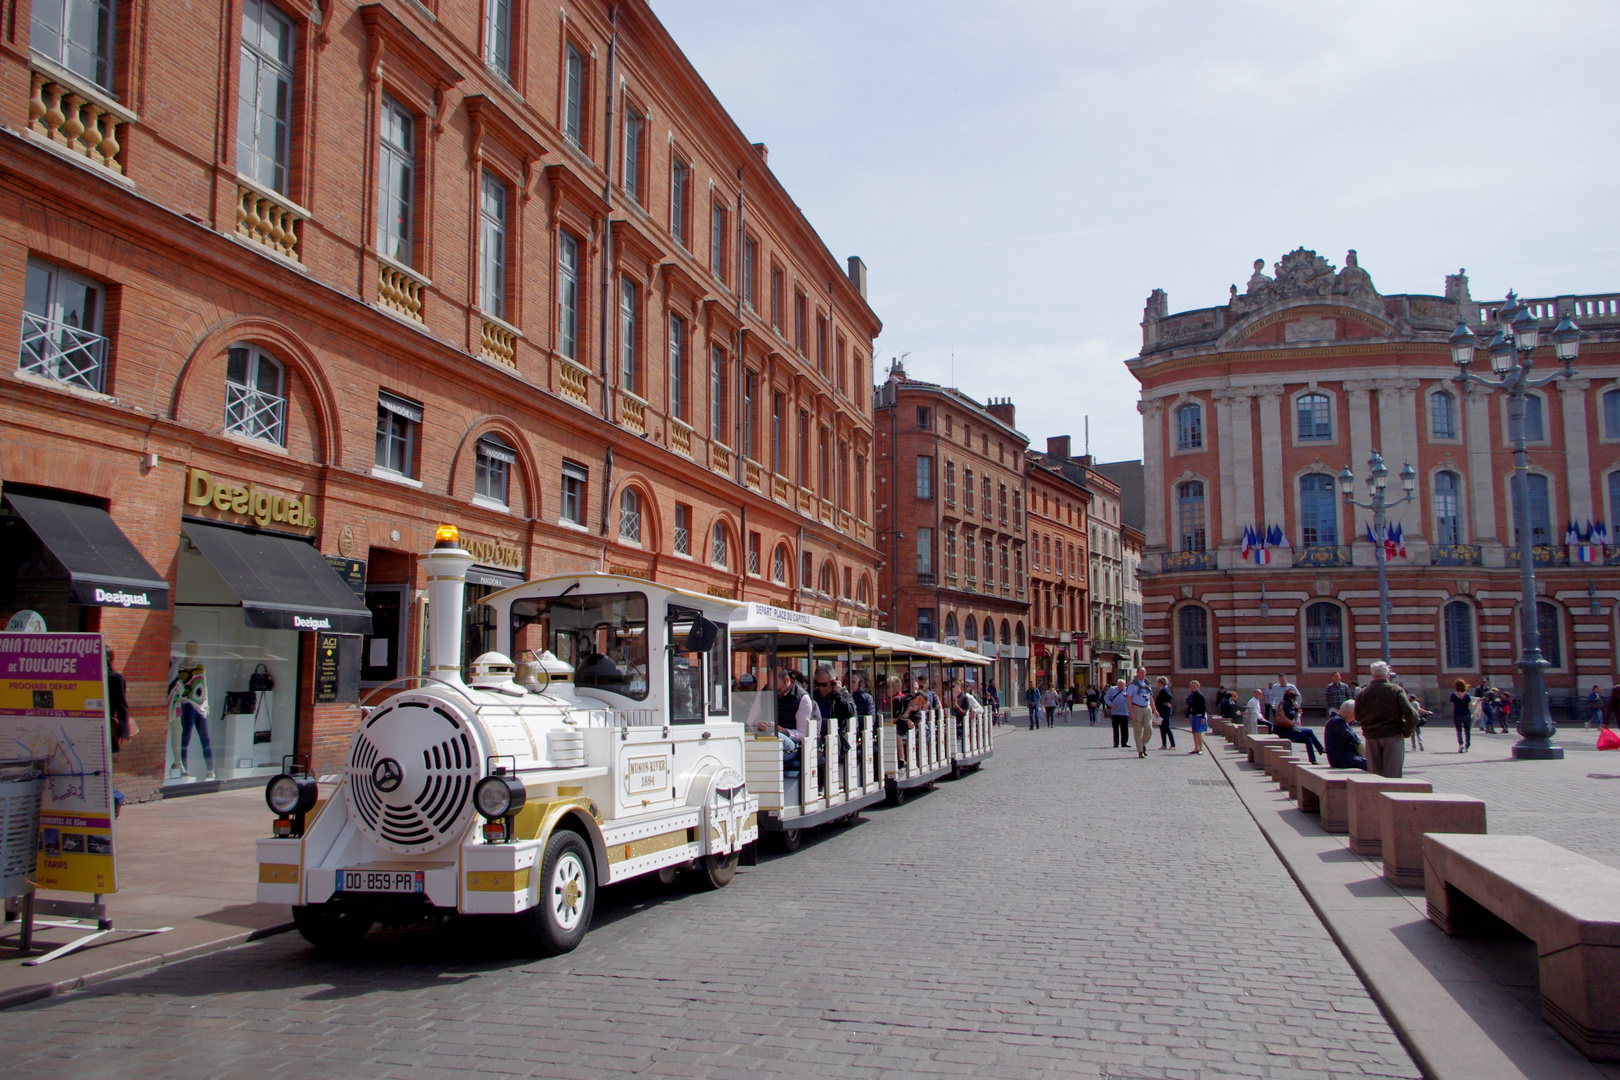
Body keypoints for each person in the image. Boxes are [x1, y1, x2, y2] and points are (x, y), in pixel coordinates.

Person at [1354, 661, 1421, 777]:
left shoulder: (1362, 693)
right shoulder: (1396, 690)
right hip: (1392, 735)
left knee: (1375, 776)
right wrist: (1406, 732)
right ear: (1388, 674)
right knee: (1393, 776)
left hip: (1371, 737)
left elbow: (1358, 716)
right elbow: (1412, 716)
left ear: (1372, 675)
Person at [1272, 687, 1326, 764]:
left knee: (1308, 739)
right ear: (1291, 698)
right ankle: (1320, 749)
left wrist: (1295, 710)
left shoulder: (1283, 703)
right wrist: (1296, 708)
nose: (1295, 700)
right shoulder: (1286, 704)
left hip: (1286, 730)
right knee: (1309, 731)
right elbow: (1290, 716)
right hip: (1286, 732)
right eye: (1294, 698)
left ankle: (1313, 760)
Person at [775, 667, 813, 775]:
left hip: (793, 744)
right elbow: (752, 718)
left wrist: (783, 730)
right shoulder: (765, 692)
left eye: (778, 690)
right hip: (766, 736)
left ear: (787, 681)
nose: (776, 694)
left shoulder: (802, 698)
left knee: (775, 736)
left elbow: (803, 733)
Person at [107, 648, 131, 817]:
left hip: (106, 729)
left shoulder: (115, 679)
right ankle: (115, 796)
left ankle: (116, 796)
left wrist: (123, 731)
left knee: (102, 770)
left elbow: (122, 706)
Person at [1324, 700, 1368, 770]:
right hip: (1341, 758)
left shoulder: (1339, 721)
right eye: (1355, 714)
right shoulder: (1337, 722)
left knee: (1371, 763)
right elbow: (1351, 737)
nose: (1355, 718)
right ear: (1349, 712)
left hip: (1345, 756)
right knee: (1369, 765)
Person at [1126, 668, 1155, 758]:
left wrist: (1155, 709)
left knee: (1149, 729)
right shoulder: (1132, 685)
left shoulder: (1147, 683)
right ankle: (1140, 751)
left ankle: (1143, 744)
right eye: (1141, 672)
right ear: (1137, 673)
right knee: (1138, 731)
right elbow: (1129, 699)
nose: (1143, 674)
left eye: (1144, 672)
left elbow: (1150, 697)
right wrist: (1131, 711)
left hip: (1147, 707)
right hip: (1136, 708)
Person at [1104, 679, 1130, 748]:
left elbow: (1132, 699)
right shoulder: (1112, 689)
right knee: (1115, 728)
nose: (1120, 687)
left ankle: (1124, 743)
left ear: (1125, 685)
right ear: (1117, 684)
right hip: (1115, 713)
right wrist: (1111, 704)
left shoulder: (1128, 690)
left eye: (1122, 685)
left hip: (1125, 712)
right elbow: (1106, 698)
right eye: (1119, 685)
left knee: (1125, 729)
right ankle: (1116, 743)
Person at [1185, 680, 1208, 755]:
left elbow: (1204, 707)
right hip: (1194, 715)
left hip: (1199, 716)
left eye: (1195, 686)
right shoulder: (1192, 695)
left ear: (1198, 687)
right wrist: (1186, 716)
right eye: (1192, 686)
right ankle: (1196, 748)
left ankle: (1200, 749)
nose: (1193, 687)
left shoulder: (1200, 695)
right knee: (1194, 733)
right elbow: (1189, 706)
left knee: (1198, 733)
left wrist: (1203, 717)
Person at [1450, 679, 1473, 753]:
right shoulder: (1467, 695)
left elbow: (1453, 705)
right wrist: (1477, 701)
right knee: (1467, 731)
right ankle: (1467, 746)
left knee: (1458, 731)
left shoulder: (1453, 695)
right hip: (1466, 714)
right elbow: (1471, 706)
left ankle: (1461, 744)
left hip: (1457, 714)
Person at [1154, 676, 1176, 749]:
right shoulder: (1163, 689)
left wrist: (1166, 702)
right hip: (1161, 711)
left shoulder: (1164, 690)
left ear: (1161, 683)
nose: (1157, 683)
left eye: (1158, 682)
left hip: (1165, 711)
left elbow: (1170, 697)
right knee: (1162, 727)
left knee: (1166, 727)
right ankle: (1164, 744)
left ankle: (1173, 744)